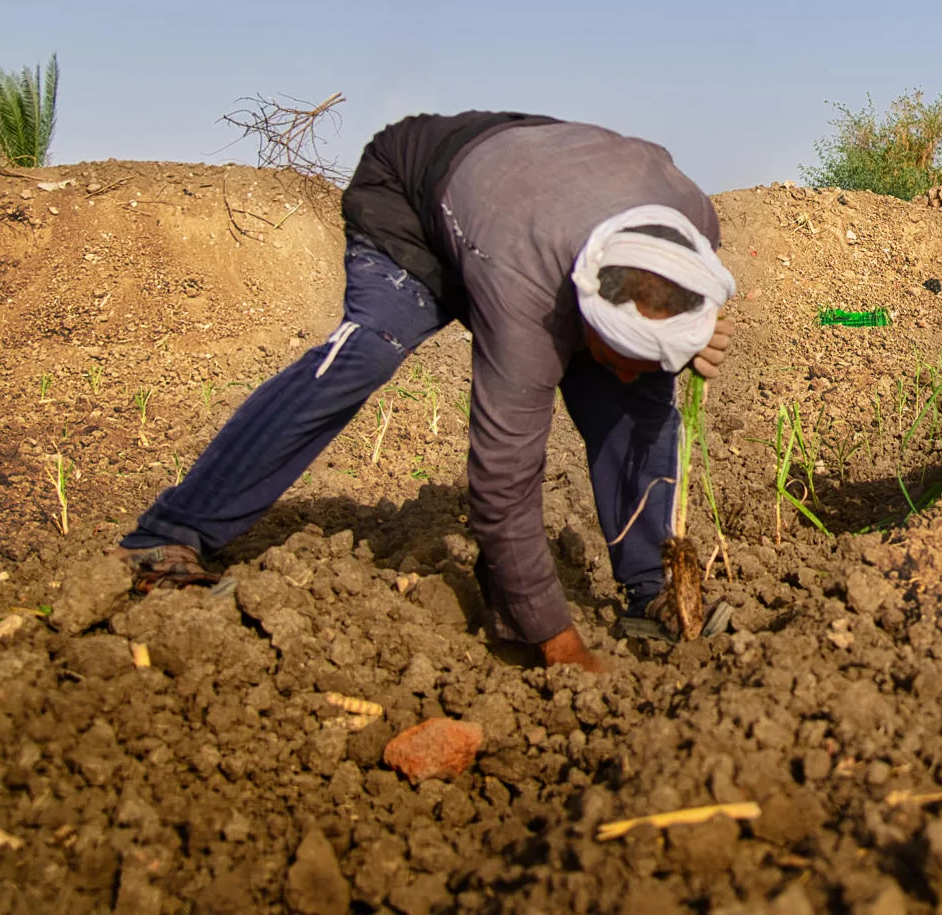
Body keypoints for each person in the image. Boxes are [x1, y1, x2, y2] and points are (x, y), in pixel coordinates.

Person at [114, 112, 736, 674]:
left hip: (524, 198)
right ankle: (168, 535)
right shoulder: (525, 283)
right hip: (417, 202)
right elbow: (502, 480)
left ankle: (650, 589)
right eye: (612, 351)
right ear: (582, 304)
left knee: (632, 400)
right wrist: (559, 645)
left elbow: (662, 312)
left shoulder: (692, 227)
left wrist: (681, 342)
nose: (624, 369)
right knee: (370, 347)